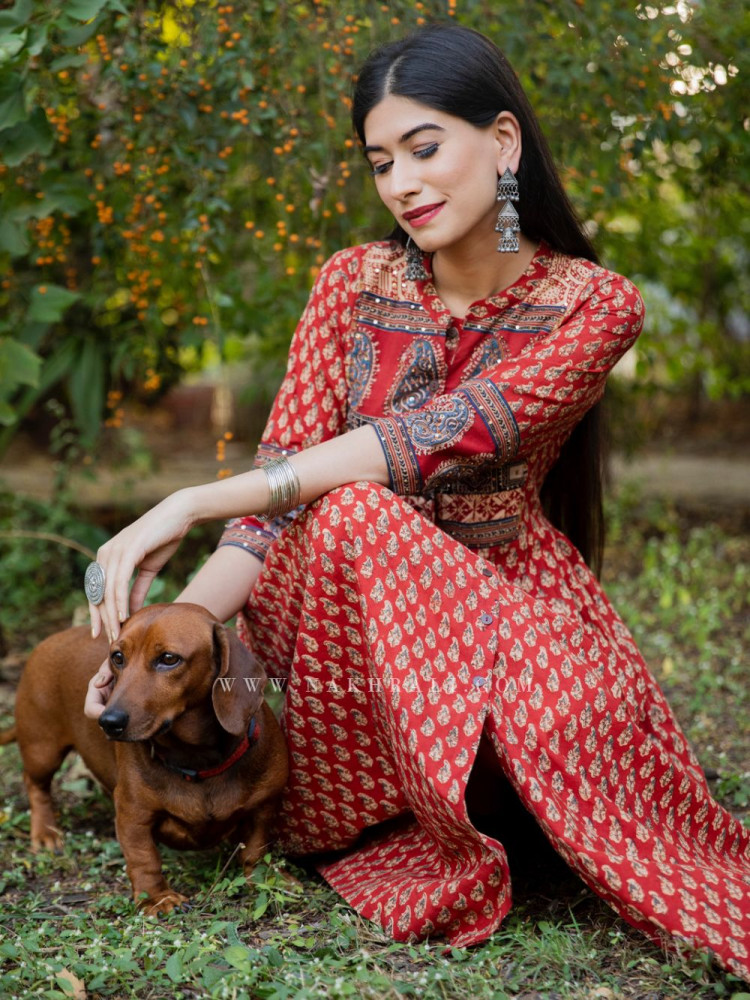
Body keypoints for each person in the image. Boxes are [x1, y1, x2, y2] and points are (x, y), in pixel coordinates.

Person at [83, 24, 749, 981]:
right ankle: (391, 814)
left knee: (369, 509)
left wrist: (185, 495)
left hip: (504, 608)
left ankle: (497, 801)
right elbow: (273, 515)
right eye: (380, 160)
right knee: (352, 514)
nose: (400, 182)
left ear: (505, 144)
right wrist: (163, 637)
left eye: (425, 148)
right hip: (336, 625)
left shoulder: (592, 306)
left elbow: (435, 437)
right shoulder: (351, 284)